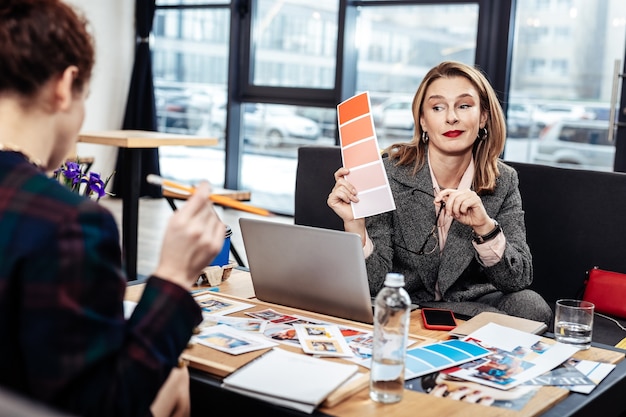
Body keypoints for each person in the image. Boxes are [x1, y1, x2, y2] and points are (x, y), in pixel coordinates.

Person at [0, 1, 226, 416]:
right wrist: (175, 275)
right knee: (175, 380)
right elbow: (107, 404)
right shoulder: (68, 223)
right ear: (65, 86)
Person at [328, 61, 552, 324]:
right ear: (422, 120)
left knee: (531, 307)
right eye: (437, 107)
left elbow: (518, 279)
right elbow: (373, 284)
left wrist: (485, 227)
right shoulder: (387, 173)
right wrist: (356, 226)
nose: (451, 118)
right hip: (406, 301)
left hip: (471, 304)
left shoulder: (504, 181)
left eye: (464, 106)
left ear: (483, 117)